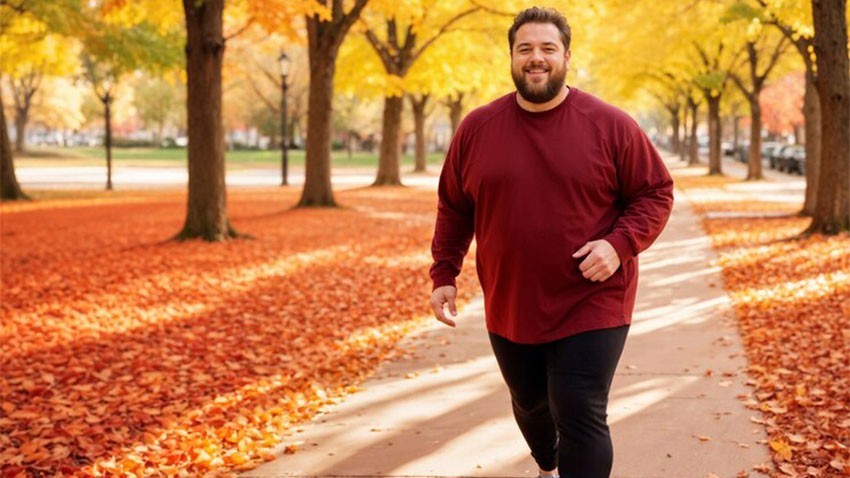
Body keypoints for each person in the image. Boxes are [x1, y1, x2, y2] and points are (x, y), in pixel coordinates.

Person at [428, 7, 674, 478]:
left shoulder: (610, 125)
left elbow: (655, 192)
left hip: (593, 297)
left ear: (566, 56)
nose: (535, 58)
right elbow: (454, 206)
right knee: (531, 403)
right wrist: (445, 273)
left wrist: (618, 244)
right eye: (525, 49)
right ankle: (547, 464)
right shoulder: (477, 129)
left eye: (547, 49)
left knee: (580, 409)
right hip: (512, 299)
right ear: (512, 57)